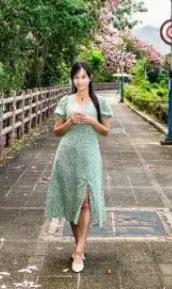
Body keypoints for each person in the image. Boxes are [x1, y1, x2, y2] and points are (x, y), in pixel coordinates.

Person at [44, 62, 113, 273]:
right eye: (76, 77)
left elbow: (105, 132)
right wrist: (71, 121)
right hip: (67, 154)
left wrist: (91, 120)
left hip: (89, 154)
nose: (80, 81)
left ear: (90, 78)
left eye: (83, 77)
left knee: (84, 201)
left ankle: (79, 249)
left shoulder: (100, 102)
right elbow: (57, 132)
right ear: (72, 80)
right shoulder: (65, 101)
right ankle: (80, 245)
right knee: (71, 201)